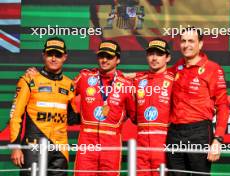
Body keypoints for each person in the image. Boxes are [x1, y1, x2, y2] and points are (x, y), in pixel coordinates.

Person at [9, 37, 79, 176]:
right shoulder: (29, 80)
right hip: (33, 146)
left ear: (64, 57)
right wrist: (16, 147)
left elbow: (71, 118)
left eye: (58, 55)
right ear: (43, 55)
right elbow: (15, 115)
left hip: (60, 148)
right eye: (50, 54)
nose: (54, 59)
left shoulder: (70, 85)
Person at [166, 27, 230, 176]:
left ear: (200, 44)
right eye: (183, 41)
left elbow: (223, 106)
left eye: (191, 41)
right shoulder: (177, 67)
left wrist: (218, 139)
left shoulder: (213, 69)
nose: (186, 45)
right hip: (174, 132)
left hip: (199, 132)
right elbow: (157, 75)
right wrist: (130, 76)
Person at [73, 40, 136, 176]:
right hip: (87, 143)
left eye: (109, 57)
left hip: (111, 145)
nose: (104, 60)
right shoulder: (85, 77)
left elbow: (134, 114)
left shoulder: (126, 84)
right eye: (101, 56)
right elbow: (62, 90)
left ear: (118, 59)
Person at [133, 38, 174, 176]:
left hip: (164, 142)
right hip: (141, 142)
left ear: (167, 57)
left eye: (159, 54)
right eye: (151, 54)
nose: (154, 58)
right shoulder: (138, 80)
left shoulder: (174, 81)